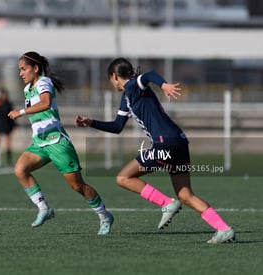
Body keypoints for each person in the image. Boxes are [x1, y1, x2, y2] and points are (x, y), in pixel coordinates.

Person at [76, 58, 235, 244]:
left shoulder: (133, 85)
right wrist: (91, 122)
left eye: (110, 79)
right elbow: (117, 126)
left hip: (165, 144)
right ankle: (223, 229)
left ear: (114, 76)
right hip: (179, 142)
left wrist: (164, 85)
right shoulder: (127, 97)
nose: (111, 83)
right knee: (185, 194)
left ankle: (166, 203)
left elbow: (149, 75)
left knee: (123, 178)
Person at [7, 51, 114, 235]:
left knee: (77, 186)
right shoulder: (27, 89)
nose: (20, 73)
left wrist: (21, 112)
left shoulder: (44, 82)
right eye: (19, 70)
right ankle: (44, 208)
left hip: (56, 141)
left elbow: (46, 103)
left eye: (23, 69)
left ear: (35, 68)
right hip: (39, 142)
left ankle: (105, 216)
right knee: (20, 170)